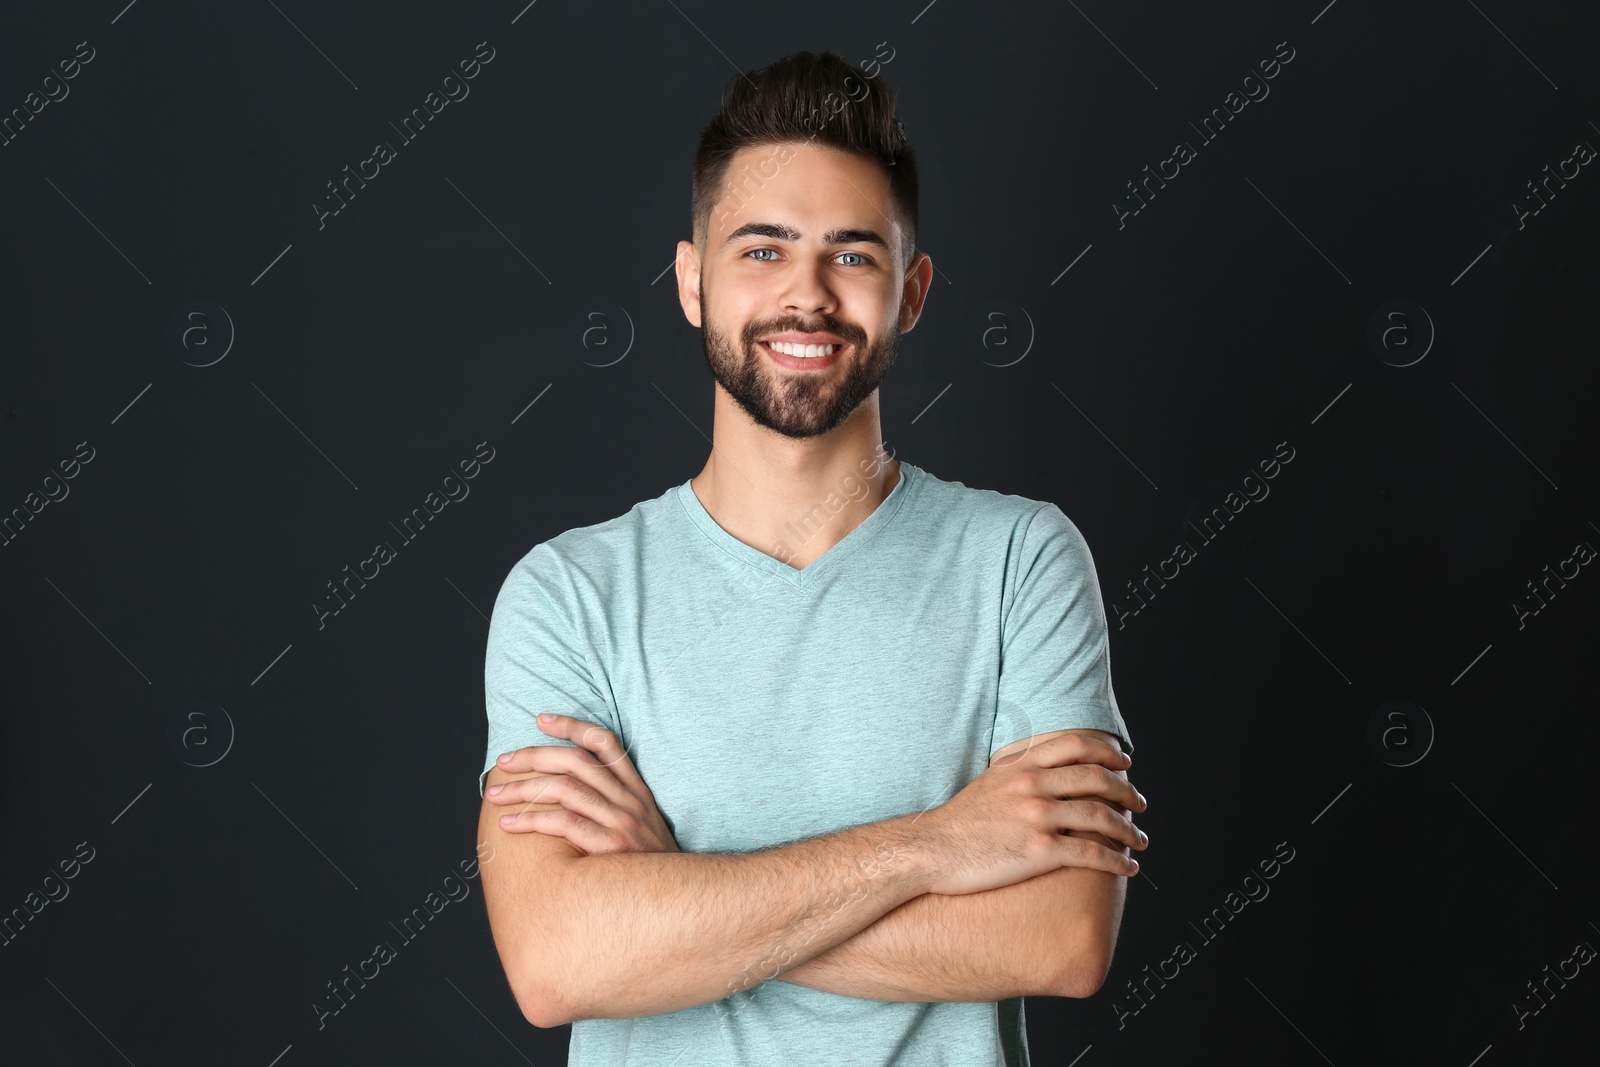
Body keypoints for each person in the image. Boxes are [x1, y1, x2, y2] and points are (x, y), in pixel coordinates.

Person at [476, 48, 1149, 1067]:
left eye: (851, 254)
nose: (807, 296)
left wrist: (675, 891)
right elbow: (557, 959)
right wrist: (940, 844)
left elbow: (1059, 937)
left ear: (911, 291)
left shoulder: (1020, 560)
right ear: (691, 282)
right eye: (760, 251)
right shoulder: (569, 596)